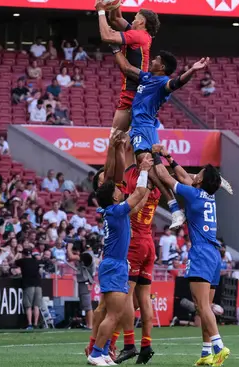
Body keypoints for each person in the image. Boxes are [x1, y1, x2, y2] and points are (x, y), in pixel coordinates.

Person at [109, 41, 208, 229]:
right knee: (156, 170)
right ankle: (178, 205)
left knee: (148, 167)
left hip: (143, 128)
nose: (152, 60)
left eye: (156, 59)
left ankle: (176, 208)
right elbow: (127, 68)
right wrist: (115, 48)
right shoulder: (147, 77)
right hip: (145, 128)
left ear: (161, 67)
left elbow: (177, 82)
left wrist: (193, 70)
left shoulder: (162, 83)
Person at [151, 151, 230, 367]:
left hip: (201, 252)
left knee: (202, 306)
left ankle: (218, 346)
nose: (195, 174)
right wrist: (171, 158)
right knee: (204, 306)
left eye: (200, 172)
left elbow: (164, 176)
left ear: (201, 180)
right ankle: (207, 353)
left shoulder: (194, 195)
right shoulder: (208, 195)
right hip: (214, 254)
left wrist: (156, 156)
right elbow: (185, 175)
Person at [87, 155, 151, 366]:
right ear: (114, 198)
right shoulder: (116, 210)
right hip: (114, 265)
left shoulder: (114, 211)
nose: (120, 190)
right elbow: (138, 193)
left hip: (116, 264)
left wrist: (148, 191)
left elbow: (139, 201)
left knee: (116, 312)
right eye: (116, 190)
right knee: (113, 315)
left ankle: (104, 352)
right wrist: (143, 170)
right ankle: (96, 353)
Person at [96, 2, 160, 134]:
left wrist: (101, 11)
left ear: (142, 22)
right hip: (137, 90)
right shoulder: (139, 34)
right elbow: (116, 19)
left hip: (133, 91)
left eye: (136, 18)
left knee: (116, 138)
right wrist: (116, 2)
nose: (133, 20)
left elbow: (106, 36)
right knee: (122, 141)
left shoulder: (137, 35)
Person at [15, 249, 42, 330]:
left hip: (29, 285)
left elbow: (13, 262)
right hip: (38, 285)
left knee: (28, 306)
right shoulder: (36, 261)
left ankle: (30, 324)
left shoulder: (23, 261)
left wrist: (17, 253)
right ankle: (36, 324)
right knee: (36, 306)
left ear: (23, 254)